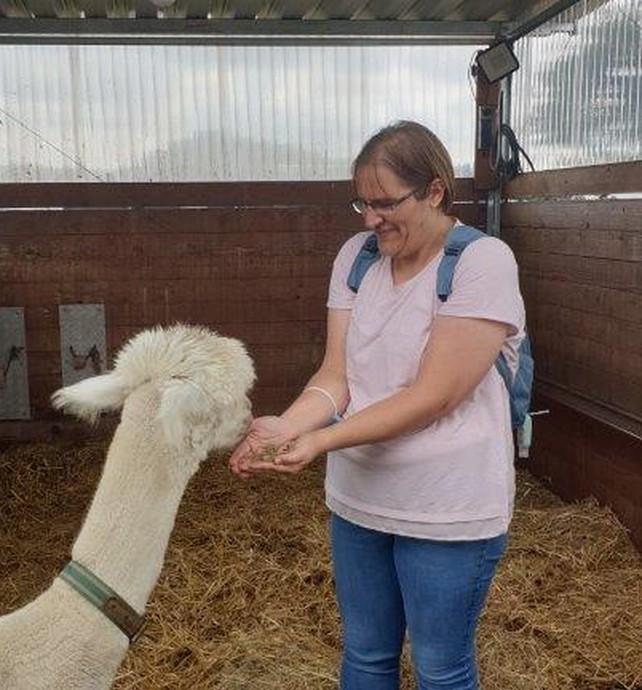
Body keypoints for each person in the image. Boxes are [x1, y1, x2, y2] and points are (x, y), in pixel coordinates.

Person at [229, 120, 526, 690]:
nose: (370, 219)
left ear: (435, 191)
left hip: (447, 510)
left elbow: (432, 397)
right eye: (361, 203)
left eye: (385, 202)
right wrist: (285, 427)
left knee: (441, 668)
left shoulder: (481, 263)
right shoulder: (357, 258)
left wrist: (319, 441)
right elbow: (335, 377)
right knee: (365, 657)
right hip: (359, 501)